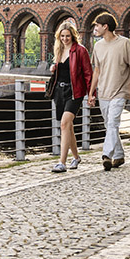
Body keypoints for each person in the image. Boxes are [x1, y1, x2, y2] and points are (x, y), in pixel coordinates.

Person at [86, 12, 130, 171]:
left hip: (120, 91)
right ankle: (119, 155)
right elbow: (96, 71)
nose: (95, 28)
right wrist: (91, 93)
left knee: (112, 123)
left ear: (106, 26)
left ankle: (106, 155)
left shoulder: (124, 43)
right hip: (103, 92)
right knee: (110, 125)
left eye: (97, 25)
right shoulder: (98, 46)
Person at [48, 22, 92, 173]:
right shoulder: (59, 49)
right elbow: (61, 70)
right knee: (68, 126)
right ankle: (76, 157)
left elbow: (88, 73)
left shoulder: (80, 51)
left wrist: (91, 94)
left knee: (64, 124)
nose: (65, 39)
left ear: (73, 35)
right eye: (62, 36)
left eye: (67, 36)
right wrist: (53, 68)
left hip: (75, 92)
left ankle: (62, 162)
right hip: (59, 92)